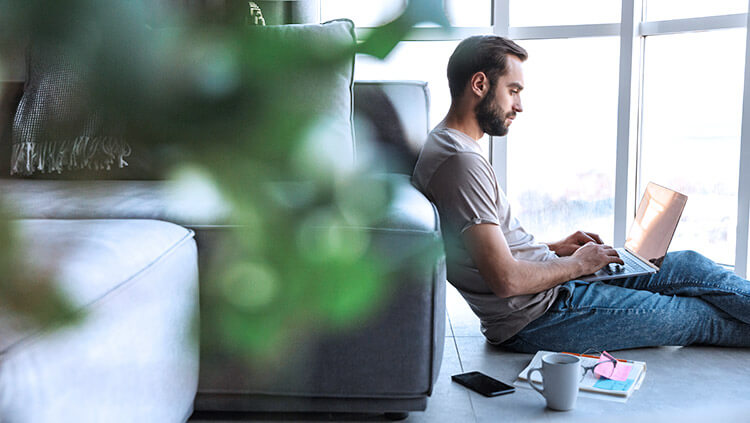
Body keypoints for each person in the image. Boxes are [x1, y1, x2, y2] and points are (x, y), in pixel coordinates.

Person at [411, 35, 750, 353]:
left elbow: (487, 250)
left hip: (552, 286)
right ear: (480, 84)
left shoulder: (448, 145)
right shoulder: (460, 162)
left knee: (687, 265)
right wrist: (576, 265)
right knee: (695, 315)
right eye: (513, 90)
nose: (519, 105)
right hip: (539, 316)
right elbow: (505, 280)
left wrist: (555, 249)